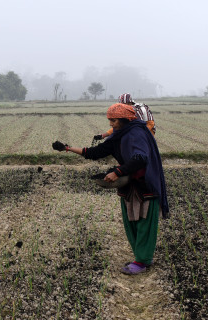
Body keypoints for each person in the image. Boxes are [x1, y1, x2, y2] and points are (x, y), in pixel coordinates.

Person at [53, 103, 169, 275]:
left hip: (145, 185)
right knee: (131, 222)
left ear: (125, 119)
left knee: (144, 222)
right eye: (109, 120)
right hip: (130, 185)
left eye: (113, 120)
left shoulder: (137, 133)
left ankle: (142, 261)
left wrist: (117, 172)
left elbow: (140, 158)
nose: (111, 124)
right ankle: (141, 257)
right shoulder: (119, 135)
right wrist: (68, 148)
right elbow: (95, 152)